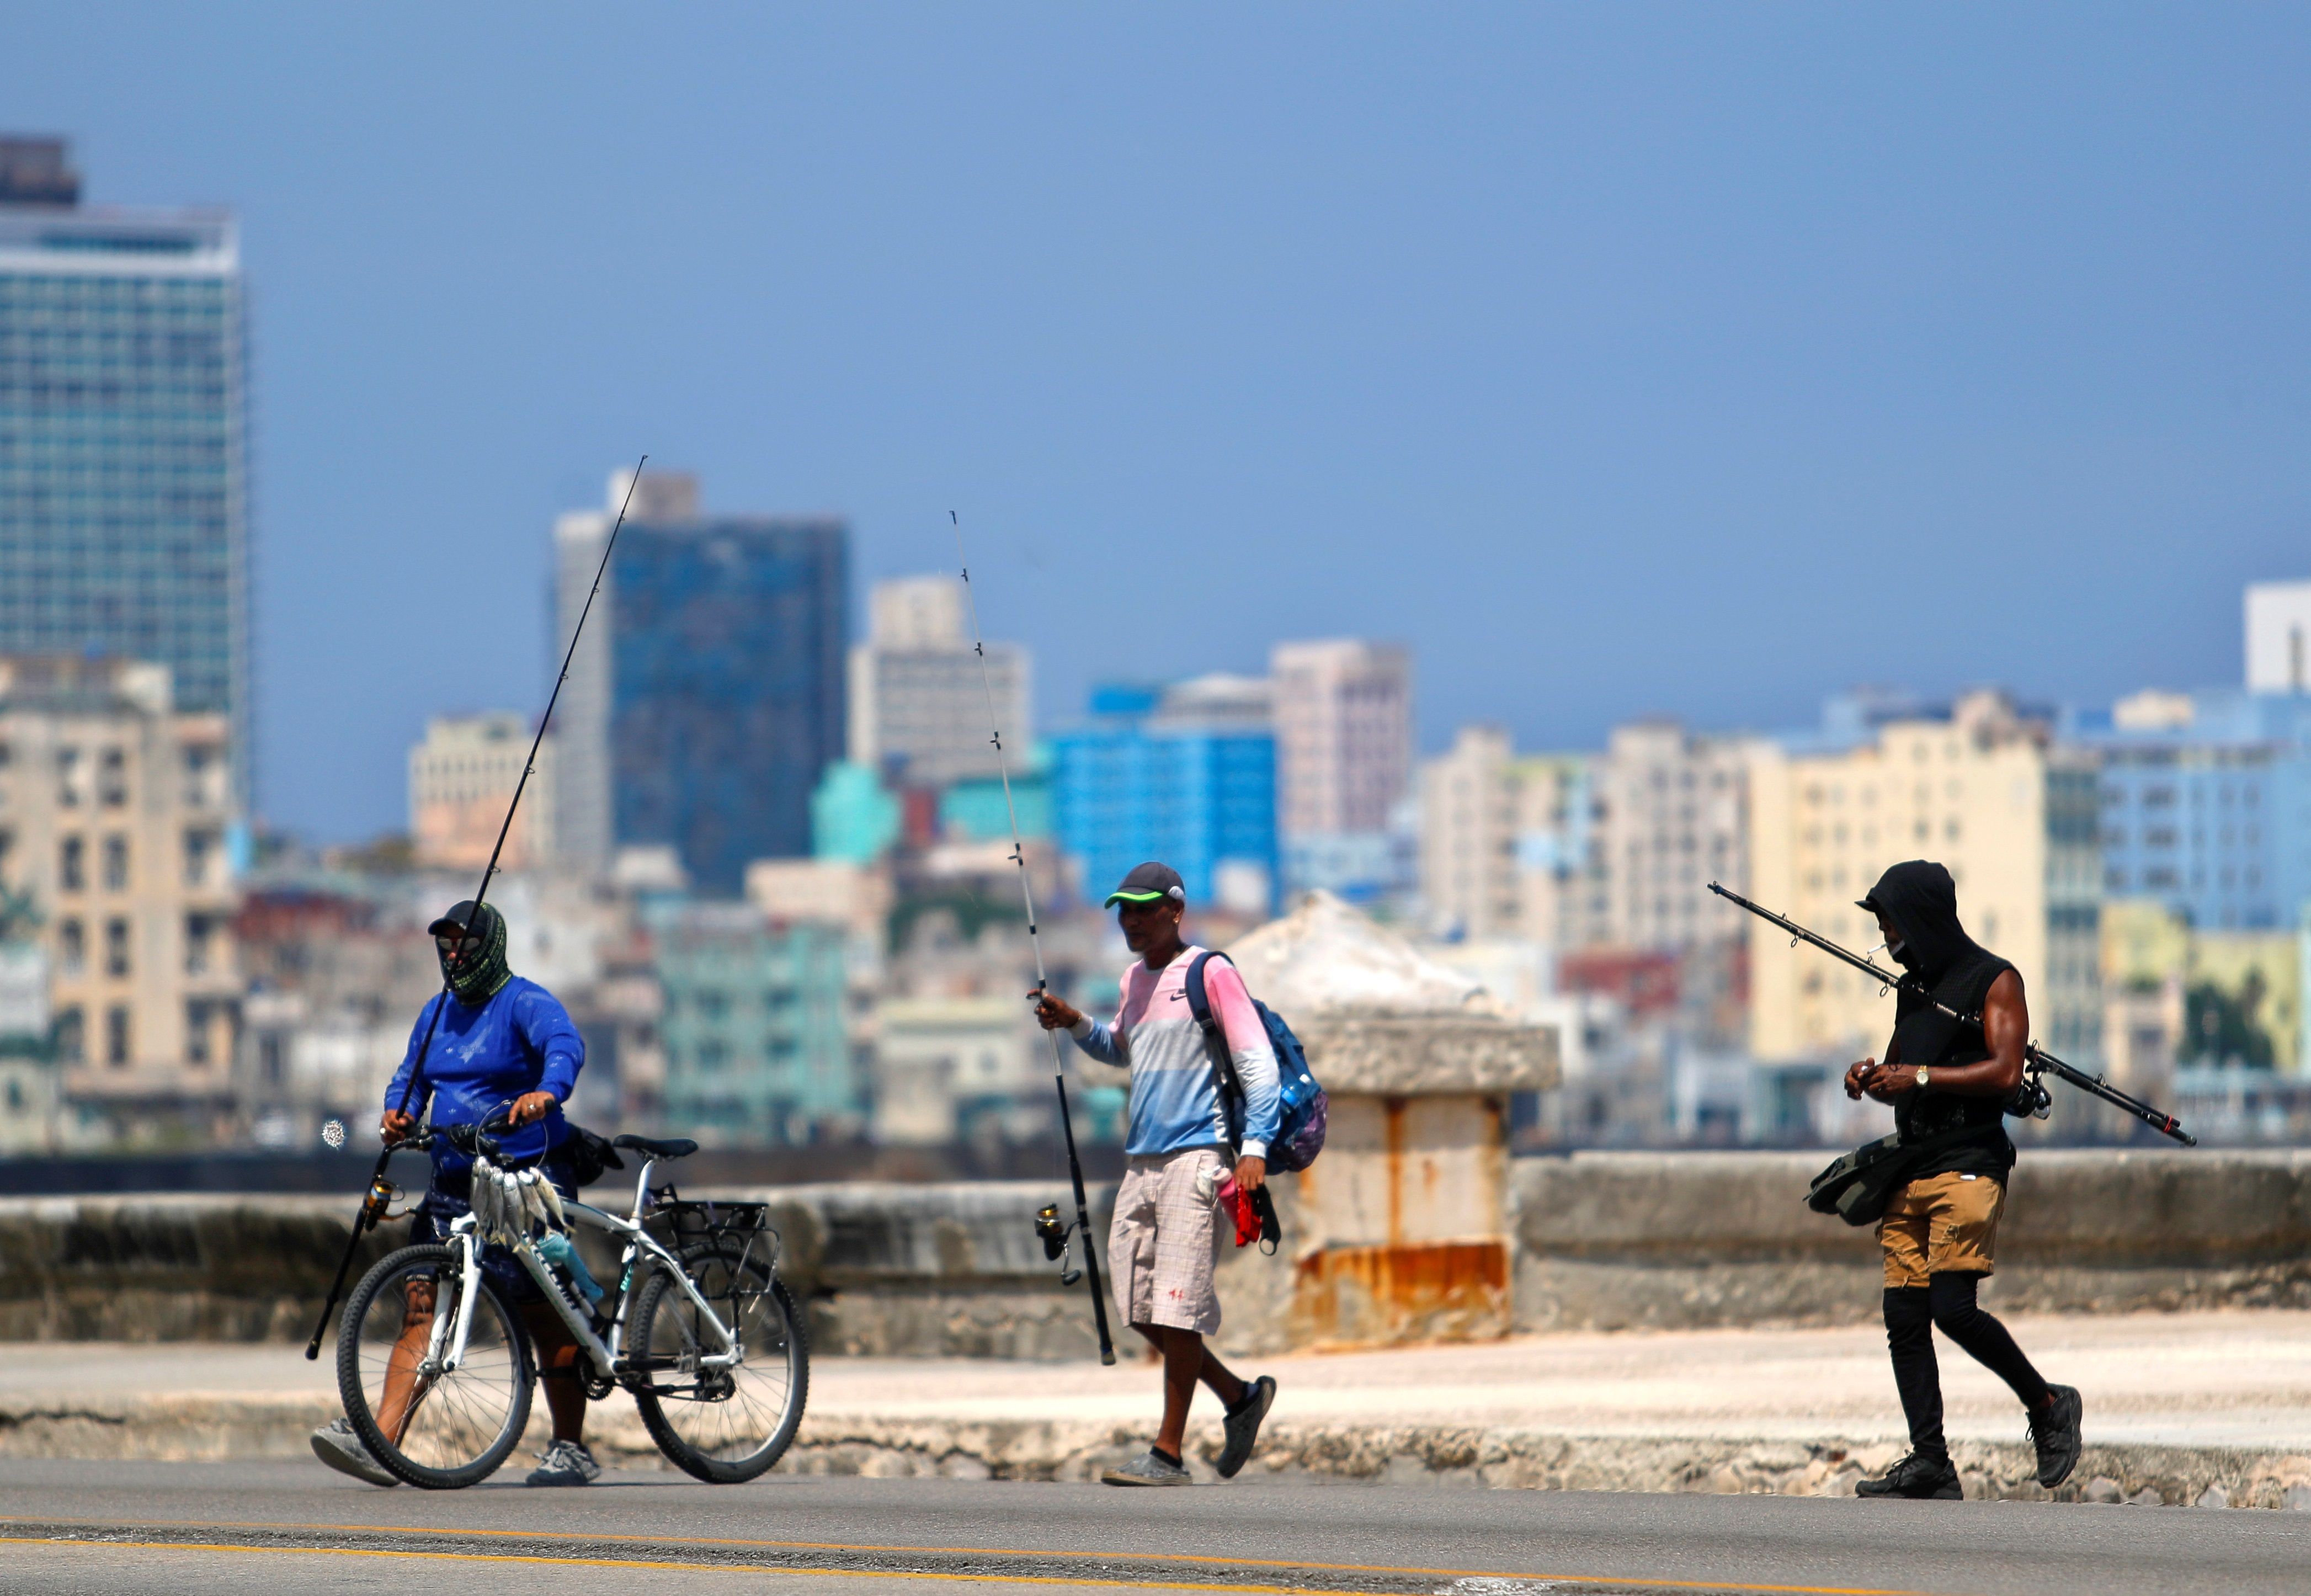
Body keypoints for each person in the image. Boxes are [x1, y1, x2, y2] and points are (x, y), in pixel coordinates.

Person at [310, 900, 600, 1489]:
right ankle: (380, 1442)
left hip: (524, 1177)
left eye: (465, 945)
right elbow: (411, 1078)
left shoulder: (526, 1002)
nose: (453, 956)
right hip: (453, 1183)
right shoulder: (435, 1013)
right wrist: (400, 1112)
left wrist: (546, 1093)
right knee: (422, 1308)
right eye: (445, 946)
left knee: (544, 1313)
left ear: (490, 946)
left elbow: (565, 1047)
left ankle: (571, 1447)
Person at [1031, 861, 1281, 1486]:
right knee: (1138, 1303)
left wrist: (1254, 1148)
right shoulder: (1130, 982)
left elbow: (1257, 1063)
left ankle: (1167, 1454)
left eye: (1144, 909)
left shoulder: (1210, 973)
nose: (1132, 921)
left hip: (1199, 1160)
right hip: (1142, 1161)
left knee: (1178, 1309)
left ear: (1175, 910)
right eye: (1124, 910)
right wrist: (1075, 1024)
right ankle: (1238, 1397)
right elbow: (1122, 1049)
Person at [1843, 860, 2083, 1500]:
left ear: (1919, 918)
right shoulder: (1913, 988)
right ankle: (1931, 1462)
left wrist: (1918, 1077)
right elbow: (1906, 1070)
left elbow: (2006, 1075)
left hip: (1970, 1162)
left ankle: (2049, 1404)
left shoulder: (1995, 980)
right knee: (1903, 1313)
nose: (1885, 932)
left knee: (1952, 1308)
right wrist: (1873, 1077)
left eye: (1889, 918)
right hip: (1912, 1165)